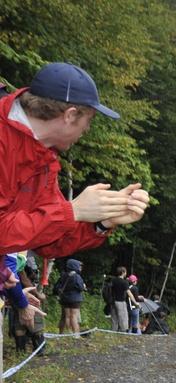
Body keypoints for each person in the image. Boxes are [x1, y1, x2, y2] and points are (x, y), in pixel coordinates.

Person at [0, 62, 150, 259]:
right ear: (70, 115)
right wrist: (72, 211)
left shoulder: (43, 157)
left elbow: (49, 244)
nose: (87, 130)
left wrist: (103, 221)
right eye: (89, 120)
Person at [56, 258, 87, 335]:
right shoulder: (77, 276)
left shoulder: (64, 275)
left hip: (65, 298)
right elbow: (80, 287)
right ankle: (76, 333)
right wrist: (83, 286)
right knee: (74, 316)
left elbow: (59, 286)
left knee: (67, 316)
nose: (80, 267)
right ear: (74, 266)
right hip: (75, 299)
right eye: (79, 265)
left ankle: (69, 332)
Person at [109, 266, 134, 333]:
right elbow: (129, 293)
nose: (126, 273)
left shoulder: (113, 280)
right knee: (123, 318)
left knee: (114, 318)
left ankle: (113, 332)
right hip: (121, 302)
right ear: (123, 272)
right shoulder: (124, 282)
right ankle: (123, 332)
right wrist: (135, 302)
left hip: (113, 301)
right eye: (125, 271)